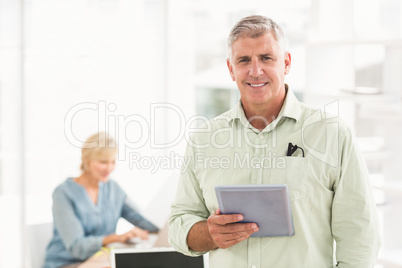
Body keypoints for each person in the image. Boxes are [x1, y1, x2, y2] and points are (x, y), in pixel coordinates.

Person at [168, 15, 381, 268]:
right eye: (244, 60)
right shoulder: (203, 140)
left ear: (286, 62)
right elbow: (179, 223)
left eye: (266, 58)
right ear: (230, 69)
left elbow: (360, 235)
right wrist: (209, 233)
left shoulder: (332, 134)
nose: (255, 71)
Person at [43, 132, 159, 268]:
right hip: (65, 263)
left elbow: (143, 221)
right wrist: (117, 237)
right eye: (103, 162)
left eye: (113, 162)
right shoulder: (63, 193)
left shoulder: (113, 189)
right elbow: (77, 247)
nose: (109, 168)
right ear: (86, 160)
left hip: (100, 260)